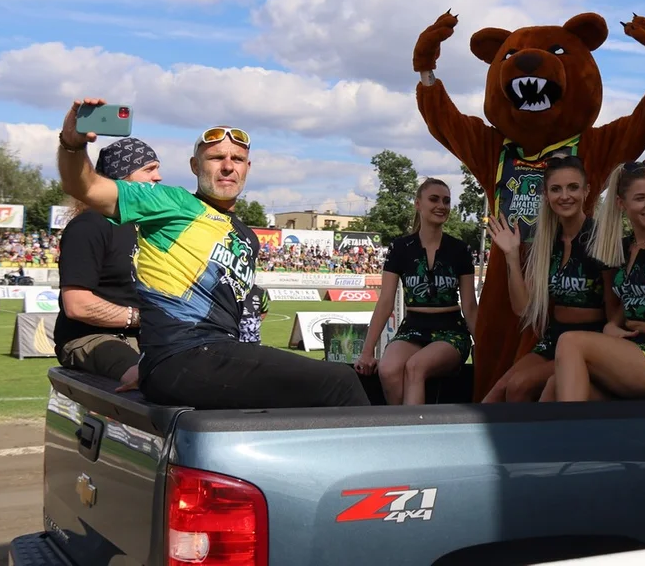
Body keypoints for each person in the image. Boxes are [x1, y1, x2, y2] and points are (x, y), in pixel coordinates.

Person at [56, 98, 370, 409]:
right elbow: (86, 186)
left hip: (218, 355)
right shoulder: (172, 203)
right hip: (180, 356)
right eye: (216, 157)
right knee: (339, 383)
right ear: (194, 166)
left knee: (364, 382)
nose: (228, 166)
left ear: (247, 168)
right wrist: (72, 145)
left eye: (237, 158)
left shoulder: (246, 236)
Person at [552, 159, 645, 405]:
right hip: (631, 351)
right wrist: (612, 324)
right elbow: (628, 300)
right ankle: (557, 442)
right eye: (640, 198)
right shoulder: (623, 247)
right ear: (621, 203)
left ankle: (569, 437)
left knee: (570, 341)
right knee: (552, 387)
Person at [481, 154, 614, 402]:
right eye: (556, 189)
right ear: (546, 195)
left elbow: (616, 307)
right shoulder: (546, 242)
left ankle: (526, 442)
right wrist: (511, 256)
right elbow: (522, 308)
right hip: (555, 337)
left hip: (591, 341)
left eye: (573, 187)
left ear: (586, 191)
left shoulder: (600, 240)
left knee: (519, 386)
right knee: (498, 391)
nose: (565, 196)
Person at [354, 178, 478, 405]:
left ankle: (414, 435)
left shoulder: (459, 249)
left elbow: (469, 305)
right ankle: (400, 432)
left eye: (446, 201)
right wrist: (367, 351)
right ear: (418, 204)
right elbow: (385, 302)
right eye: (434, 199)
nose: (442, 205)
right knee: (388, 368)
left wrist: (482, 345)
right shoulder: (400, 248)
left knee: (415, 367)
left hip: (450, 331)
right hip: (413, 328)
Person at [53, 137, 163, 387]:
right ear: (120, 177)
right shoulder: (89, 226)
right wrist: (143, 318)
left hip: (147, 336)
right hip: (91, 338)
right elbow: (77, 306)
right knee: (146, 377)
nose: (158, 177)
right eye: (149, 169)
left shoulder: (150, 227)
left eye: (157, 168)